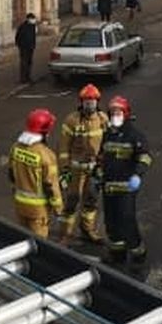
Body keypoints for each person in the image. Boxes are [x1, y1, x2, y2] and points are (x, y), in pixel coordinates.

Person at [96, 95, 151, 263]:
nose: (115, 116)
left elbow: (145, 157)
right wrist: (96, 177)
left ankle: (138, 256)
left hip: (126, 187)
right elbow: (101, 158)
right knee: (111, 223)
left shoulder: (135, 136)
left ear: (126, 114)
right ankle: (117, 255)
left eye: (118, 112)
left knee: (127, 221)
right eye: (112, 112)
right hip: (109, 187)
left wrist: (137, 174)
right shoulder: (107, 135)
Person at [57, 84, 108, 245]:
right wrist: (64, 170)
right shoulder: (71, 120)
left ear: (97, 102)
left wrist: (104, 164)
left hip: (94, 169)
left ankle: (88, 231)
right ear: (81, 102)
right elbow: (63, 147)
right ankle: (65, 235)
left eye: (92, 102)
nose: (89, 105)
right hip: (75, 170)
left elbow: (108, 144)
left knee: (91, 201)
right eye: (86, 101)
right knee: (71, 202)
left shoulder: (103, 119)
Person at [8, 108, 63, 239]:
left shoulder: (15, 147)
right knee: (38, 245)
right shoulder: (46, 155)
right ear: (44, 132)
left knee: (22, 240)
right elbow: (51, 186)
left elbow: (11, 174)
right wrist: (58, 208)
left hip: (19, 205)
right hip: (38, 210)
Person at [15, 13, 37, 84]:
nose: (33, 20)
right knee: (24, 63)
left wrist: (33, 45)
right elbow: (18, 37)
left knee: (29, 62)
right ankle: (23, 78)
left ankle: (28, 77)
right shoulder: (23, 26)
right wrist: (20, 45)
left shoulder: (33, 26)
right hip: (24, 48)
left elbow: (33, 37)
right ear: (28, 19)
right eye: (32, 19)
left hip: (31, 47)